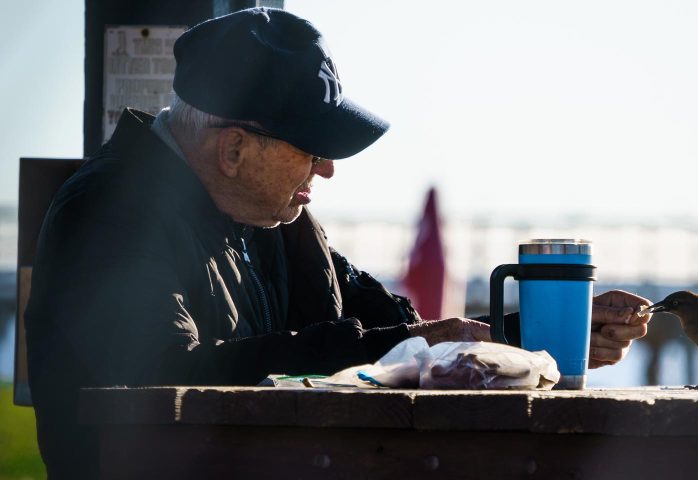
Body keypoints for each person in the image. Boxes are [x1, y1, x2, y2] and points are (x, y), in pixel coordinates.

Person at [24, 7, 651, 478]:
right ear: (234, 149)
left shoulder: (269, 212)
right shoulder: (110, 211)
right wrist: (419, 346)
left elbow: (401, 331)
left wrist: (534, 335)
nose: (326, 169)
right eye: (314, 148)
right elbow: (167, 379)